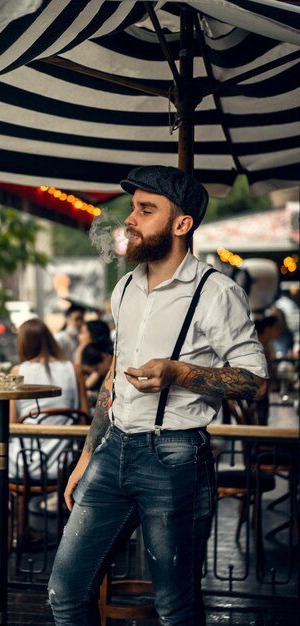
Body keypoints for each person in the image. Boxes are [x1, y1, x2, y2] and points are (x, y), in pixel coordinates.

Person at [48, 165, 268, 626]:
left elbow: (255, 379)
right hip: (114, 452)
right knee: (65, 593)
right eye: (133, 208)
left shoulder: (216, 292)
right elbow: (112, 377)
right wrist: (88, 457)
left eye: (146, 210)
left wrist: (179, 372)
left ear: (181, 224)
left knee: (175, 607)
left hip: (175, 457)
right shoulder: (124, 288)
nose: (130, 219)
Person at [9, 318, 89, 482]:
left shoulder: (17, 372)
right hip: (66, 463)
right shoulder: (74, 369)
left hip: (25, 462)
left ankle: (16, 507)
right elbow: (84, 416)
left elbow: (12, 423)